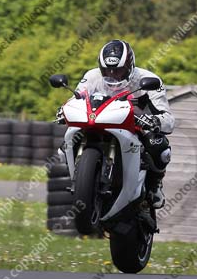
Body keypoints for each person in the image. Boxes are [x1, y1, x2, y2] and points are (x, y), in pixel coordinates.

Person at [62, 39, 174, 208]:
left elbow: (168, 119)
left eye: (118, 71)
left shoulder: (149, 80)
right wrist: (62, 111)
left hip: (136, 127)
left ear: (130, 67)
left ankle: (154, 185)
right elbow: (75, 99)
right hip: (99, 121)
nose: (112, 75)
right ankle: (81, 181)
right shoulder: (92, 77)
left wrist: (154, 121)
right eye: (107, 70)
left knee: (160, 147)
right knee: (63, 147)